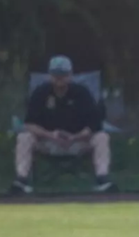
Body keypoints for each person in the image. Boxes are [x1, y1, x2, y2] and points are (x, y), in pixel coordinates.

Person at [11, 55, 115, 194]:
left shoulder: (82, 93)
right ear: (50, 75)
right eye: (56, 74)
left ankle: (103, 179)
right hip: (48, 143)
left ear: (70, 75)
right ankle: (21, 180)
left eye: (63, 74)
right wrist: (50, 135)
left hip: (77, 142)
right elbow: (30, 124)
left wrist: (75, 137)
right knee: (24, 137)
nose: (59, 78)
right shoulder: (40, 93)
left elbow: (94, 125)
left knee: (101, 137)